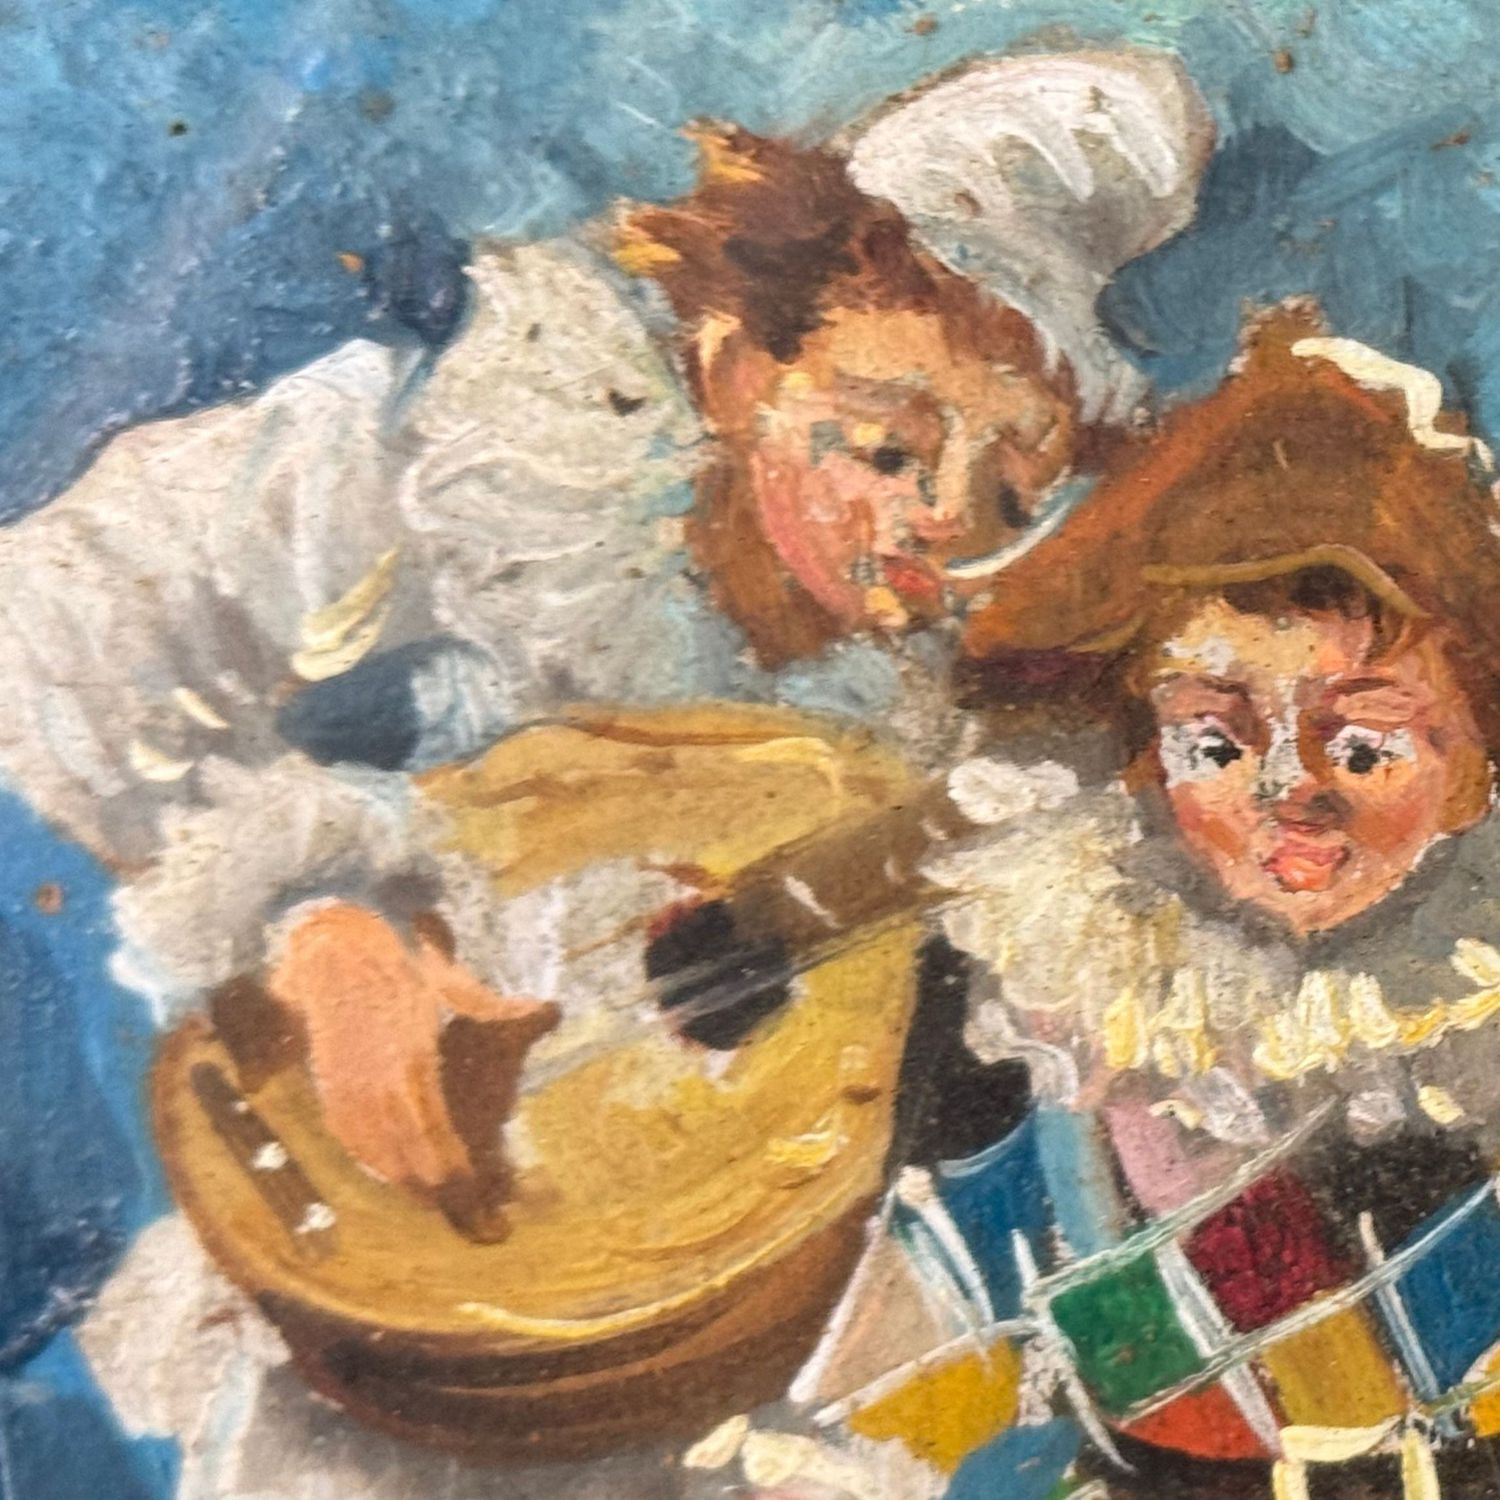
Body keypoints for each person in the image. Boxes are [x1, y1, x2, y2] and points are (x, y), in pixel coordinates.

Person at [26, 48, 1212, 1500]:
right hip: (383, 1265)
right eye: (887, 443)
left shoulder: (949, 707)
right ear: (736, 367)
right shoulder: (499, 467)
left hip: (734, 1333)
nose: (941, 524)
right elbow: (61, 611)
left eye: (1011, 486)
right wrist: (321, 921)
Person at [770, 302, 1500, 1500]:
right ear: (1149, 762)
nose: (1288, 798)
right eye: (1214, 742)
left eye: (1364, 746)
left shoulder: (1476, 1010)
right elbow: (931, 1358)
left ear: (1472, 771)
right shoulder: (1053, 996)